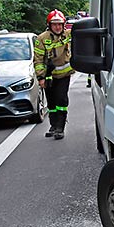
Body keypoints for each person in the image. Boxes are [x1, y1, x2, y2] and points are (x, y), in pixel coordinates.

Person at [33, 9, 74, 140]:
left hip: (64, 75)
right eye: (54, 24)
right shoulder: (41, 39)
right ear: (49, 25)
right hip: (48, 76)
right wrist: (41, 77)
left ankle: (60, 128)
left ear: (64, 25)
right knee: (51, 102)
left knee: (61, 99)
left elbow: (81, 33)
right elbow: (38, 59)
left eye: (60, 24)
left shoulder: (68, 35)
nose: (57, 27)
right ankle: (53, 124)